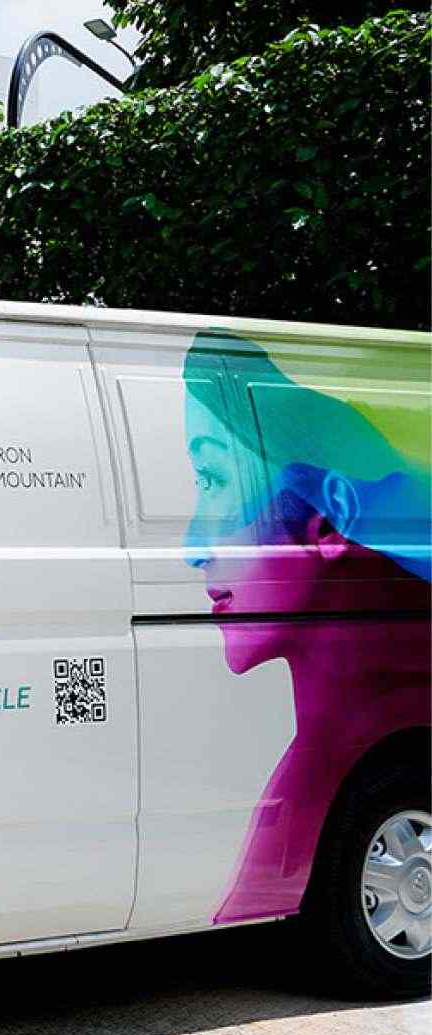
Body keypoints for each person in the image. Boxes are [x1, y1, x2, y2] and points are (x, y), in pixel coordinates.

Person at [182, 332, 431, 930]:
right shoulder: (322, 750)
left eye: (214, 479)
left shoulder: (348, 742)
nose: (193, 547)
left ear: (328, 524)